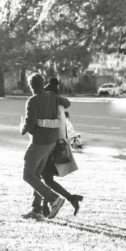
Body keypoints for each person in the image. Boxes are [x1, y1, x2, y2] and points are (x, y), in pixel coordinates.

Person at [31, 79, 83, 219]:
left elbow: (54, 125)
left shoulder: (52, 104)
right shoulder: (59, 104)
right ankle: (70, 199)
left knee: (37, 176)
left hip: (50, 145)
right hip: (55, 144)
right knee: (46, 179)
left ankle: (40, 208)